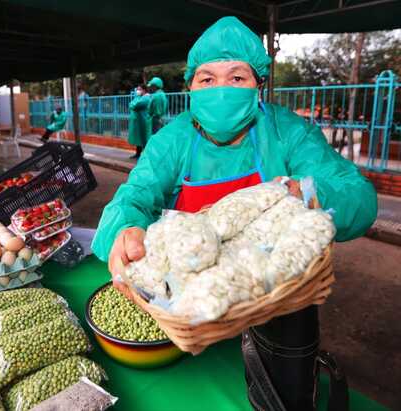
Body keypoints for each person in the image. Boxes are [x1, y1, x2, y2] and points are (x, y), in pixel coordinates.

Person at [91, 16, 376, 411]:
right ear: (190, 86)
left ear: (258, 84)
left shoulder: (286, 131)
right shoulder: (172, 140)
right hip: (191, 294)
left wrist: (308, 192)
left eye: (237, 77)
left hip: (273, 294)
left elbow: (358, 196)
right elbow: (133, 196)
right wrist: (125, 229)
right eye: (207, 79)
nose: (221, 89)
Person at [127, 85, 151, 159]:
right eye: (137, 89)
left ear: (144, 90)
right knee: (139, 138)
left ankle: (145, 155)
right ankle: (138, 153)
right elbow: (131, 104)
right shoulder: (139, 97)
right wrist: (132, 104)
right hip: (139, 121)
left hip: (143, 121)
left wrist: (132, 104)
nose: (137, 91)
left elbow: (135, 105)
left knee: (144, 138)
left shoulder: (146, 98)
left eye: (139, 89)